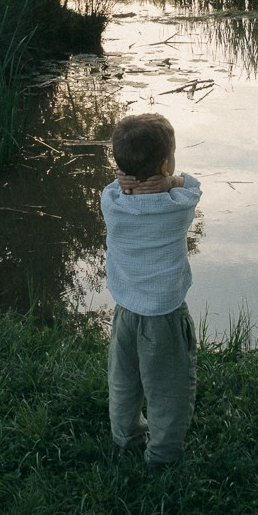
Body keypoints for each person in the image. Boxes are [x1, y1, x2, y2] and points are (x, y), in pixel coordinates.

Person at [100, 112, 202, 474]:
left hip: (125, 313)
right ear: (164, 164)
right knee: (168, 390)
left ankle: (125, 436)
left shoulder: (112, 204)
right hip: (165, 317)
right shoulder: (176, 206)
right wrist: (170, 180)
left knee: (124, 381)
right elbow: (193, 185)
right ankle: (162, 455)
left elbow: (112, 188)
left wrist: (127, 182)